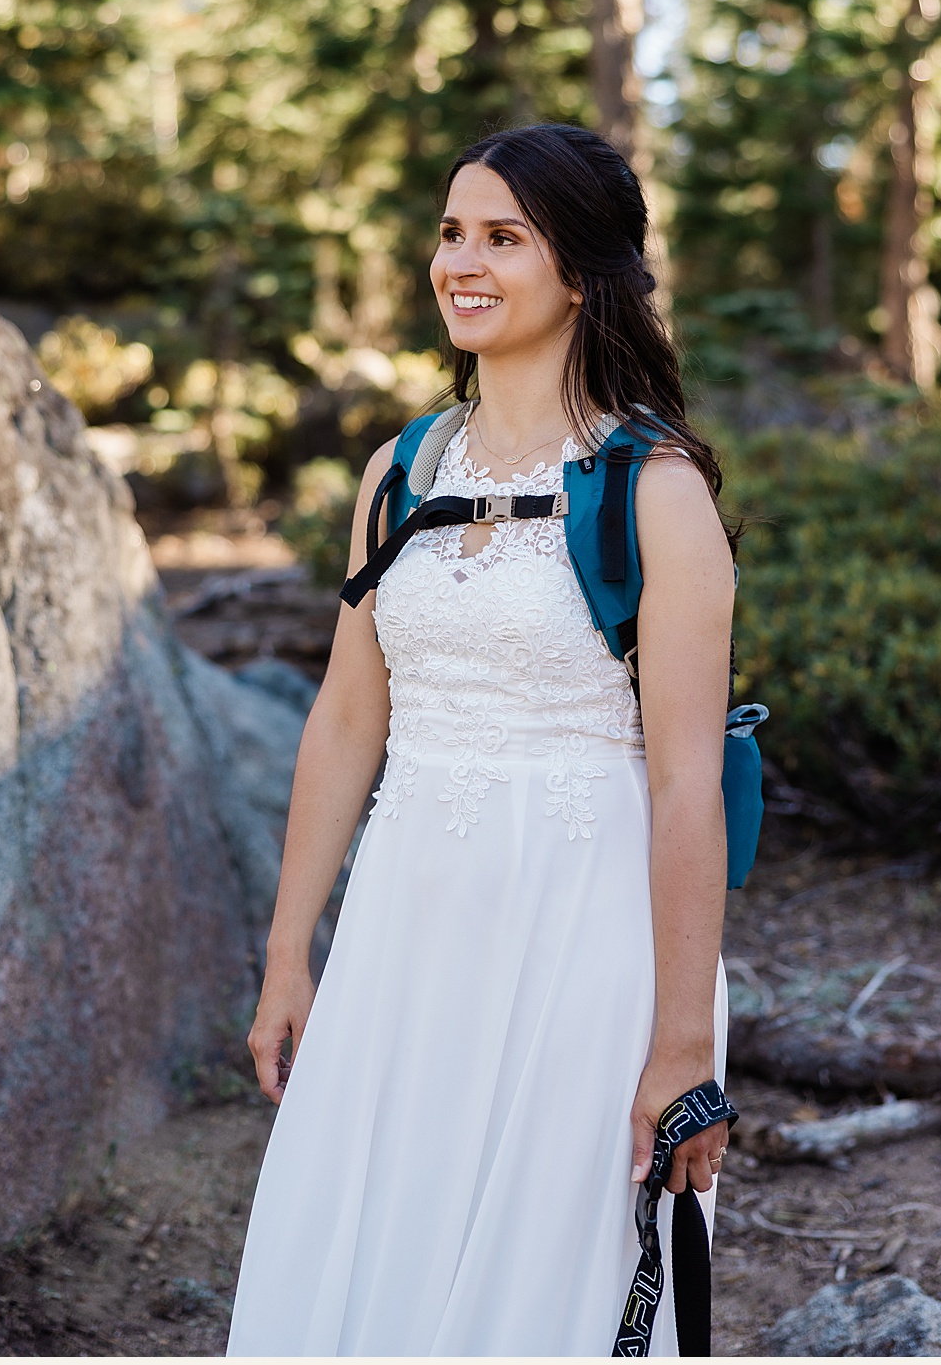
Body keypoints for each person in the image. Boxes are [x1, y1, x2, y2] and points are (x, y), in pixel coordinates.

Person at [227, 124, 736, 1355]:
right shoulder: (400, 471)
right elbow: (350, 715)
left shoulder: (653, 489)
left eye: (503, 237)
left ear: (580, 273)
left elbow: (684, 785)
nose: (463, 260)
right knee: (365, 1237)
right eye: (453, 231)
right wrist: (290, 950)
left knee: (539, 1271)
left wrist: (681, 1046)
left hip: (584, 941)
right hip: (409, 928)